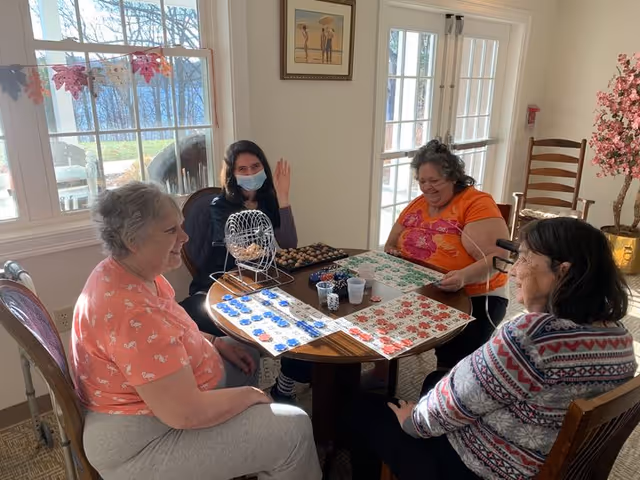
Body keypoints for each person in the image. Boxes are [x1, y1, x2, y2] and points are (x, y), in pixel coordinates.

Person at [349, 217, 637, 480]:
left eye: (524, 258)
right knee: (434, 381)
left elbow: (446, 410)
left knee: (363, 410)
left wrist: (412, 422)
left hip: (488, 469)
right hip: (545, 455)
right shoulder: (620, 338)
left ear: (562, 272)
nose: (513, 270)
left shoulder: (531, 336)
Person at [71, 182, 321, 480]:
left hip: (168, 406)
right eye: (170, 231)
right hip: (146, 440)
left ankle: (257, 456)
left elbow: (168, 332)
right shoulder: (132, 315)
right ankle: (271, 450)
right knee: (294, 429)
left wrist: (214, 341)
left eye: (181, 227)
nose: (185, 237)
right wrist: (251, 395)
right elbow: (185, 413)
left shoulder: (130, 272)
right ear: (132, 240)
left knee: (244, 347)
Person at [374, 139, 509, 387]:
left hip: (472, 296)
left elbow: (499, 258)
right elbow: (390, 244)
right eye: (422, 181)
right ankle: (379, 377)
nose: (427, 188)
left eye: (434, 181)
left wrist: (463, 277)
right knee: (373, 319)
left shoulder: (475, 203)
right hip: (421, 289)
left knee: (453, 366)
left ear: (453, 177)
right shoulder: (418, 205)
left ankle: (445, 394)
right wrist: (394, 253)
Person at [183, 140, 311, 403]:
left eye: (255, 166)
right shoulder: (221, 205)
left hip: (264, 280)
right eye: (243, 169)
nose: (251, 173)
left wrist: (284, 198)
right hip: (223, 282)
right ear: (232, 174)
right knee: (187, 315)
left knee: (304, 317)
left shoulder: (270, 199)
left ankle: (285, 383)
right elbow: (236, 249)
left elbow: (288, 244)